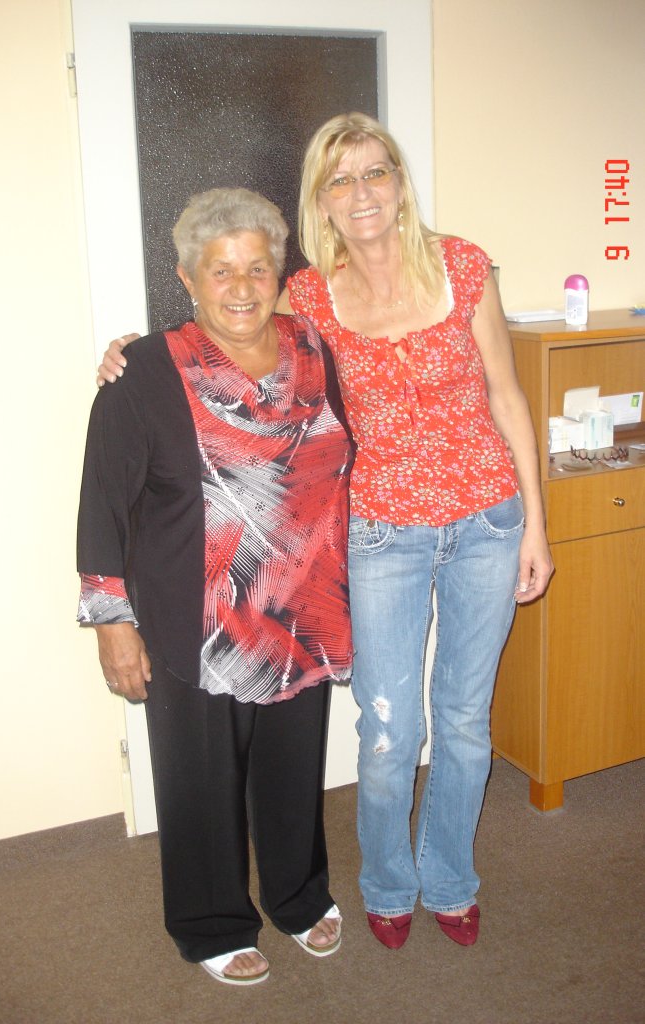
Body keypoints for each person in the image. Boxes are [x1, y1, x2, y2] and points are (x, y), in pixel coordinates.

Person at [98, 113, 554, 950]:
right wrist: (132, 348)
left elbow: (508, 396)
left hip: (488, 521)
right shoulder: (310, 295)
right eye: (340, 179)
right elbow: (224, 317)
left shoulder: (463, 266)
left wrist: (536, 526)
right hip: (378, 534)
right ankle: (388, 883)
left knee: (463, 721)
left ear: (400, 182)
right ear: (322, 201)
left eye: (375, 172)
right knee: (388, 730)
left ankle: (450, 878)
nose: (361, 192)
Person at [78, 188, 353, 985]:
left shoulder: (314, 348)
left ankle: (297, 896)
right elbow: (103, 502)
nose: (241, 286)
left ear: (280, 274)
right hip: (195, 619)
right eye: (219, 269)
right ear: (187, 278)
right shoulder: (142, 371)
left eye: (257, 268)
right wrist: (113, 623)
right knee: (199, 779)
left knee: (292, 770)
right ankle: (210, 922)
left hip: (301, 608)